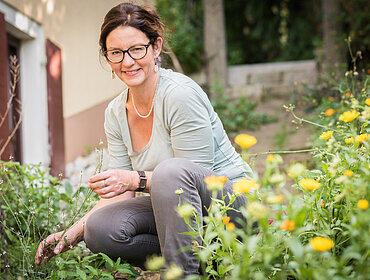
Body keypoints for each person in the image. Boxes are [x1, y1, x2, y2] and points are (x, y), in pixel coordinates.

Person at [35, 2, 253, 277]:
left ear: (156, 47)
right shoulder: (115, 112)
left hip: (232, 208)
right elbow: (120, 192)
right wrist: (72, 233)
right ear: (107, 56)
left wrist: (135, 179)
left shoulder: (179, 95)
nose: (127, 61)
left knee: (171, 172)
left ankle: (184, 274)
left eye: (136, 49)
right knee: (100, 229)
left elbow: (194, 178)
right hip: (183, 224)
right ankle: (204, 262)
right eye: (116, 53)